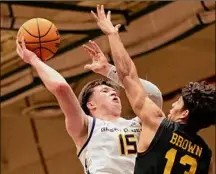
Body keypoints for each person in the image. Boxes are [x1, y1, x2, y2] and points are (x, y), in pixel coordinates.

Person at [91, 4, 216, 174]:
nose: (172, 106)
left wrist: (112, 35)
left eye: (177, 103)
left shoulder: (157, 123)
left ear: (185, 113)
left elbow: (128, 75)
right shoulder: (206, 157)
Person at [16, 35, 162, 173]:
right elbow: (62, 88)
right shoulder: (86, 126)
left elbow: (154, 95)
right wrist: (34, 60)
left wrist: (109, 71)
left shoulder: (137, 125)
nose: (113, 93)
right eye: (105, 91)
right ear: (91, 105)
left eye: (114, 91)